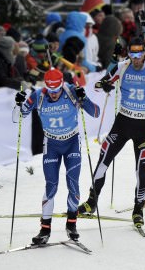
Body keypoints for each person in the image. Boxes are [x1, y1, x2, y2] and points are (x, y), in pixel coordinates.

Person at [78, 37, 145, 227]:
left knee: (141, 171)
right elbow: (99, 84)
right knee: (102, 162)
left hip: (143, 126)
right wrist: (104, 85)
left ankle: (138, 209)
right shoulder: (123, 66)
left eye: (139, 53)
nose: (136, 58)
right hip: (122, 123)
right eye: (132, 53)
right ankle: (92, 203)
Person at [13, 68, 100, 244]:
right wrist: (18, 104)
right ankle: (45, 229)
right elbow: (17, 117)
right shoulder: (39, 95)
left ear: (62, 85)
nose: (53, 94)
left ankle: (71, 225)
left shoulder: (71, 91)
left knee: (73, 184)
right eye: (50, 90)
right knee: (51, 186)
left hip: (72, 143)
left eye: (56, 90)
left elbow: (96, 112)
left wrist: (84, 98)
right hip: (51, 144)